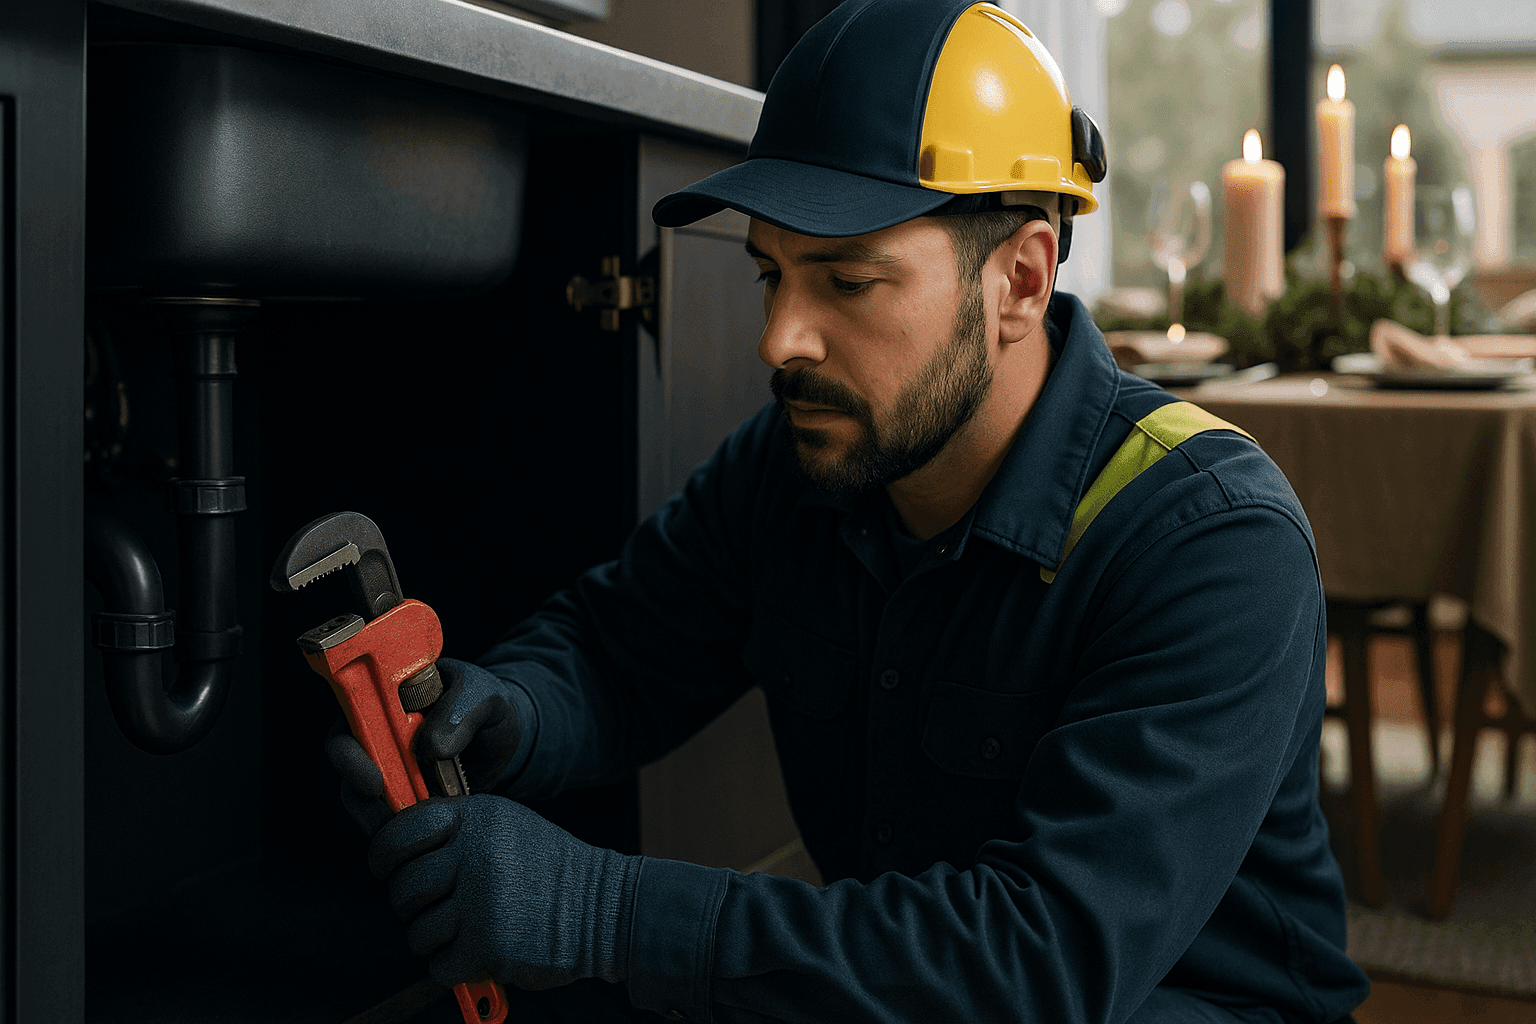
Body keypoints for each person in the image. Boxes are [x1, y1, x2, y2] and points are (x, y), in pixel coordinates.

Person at [327, 1, 1372, 1020]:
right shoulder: (801, 465)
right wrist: (510, 715)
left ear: (1018, 280)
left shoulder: (1210, 542)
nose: (781, 339)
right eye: (770, 274)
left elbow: (1033, 963)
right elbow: (615, 651)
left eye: (848, 281)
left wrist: (602, 912)